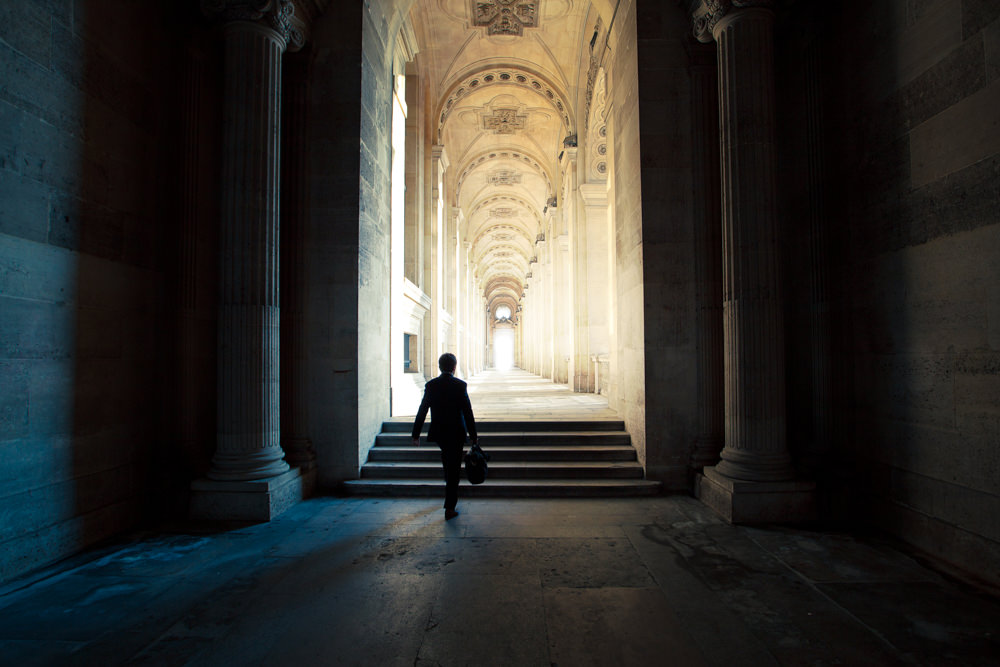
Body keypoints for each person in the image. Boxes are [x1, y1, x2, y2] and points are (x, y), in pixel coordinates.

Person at [411, 353, 477, 519]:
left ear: (439, 367)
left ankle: (449, 494)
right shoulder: (460, 385)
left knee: (448, 463)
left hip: (440, 433)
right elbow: (468, 412)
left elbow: (422, 409)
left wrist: (416, 433)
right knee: (453, 469)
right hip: (456, 432)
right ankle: (449, 507)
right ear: (454, 367)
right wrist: (474, 435)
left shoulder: (431, 385)